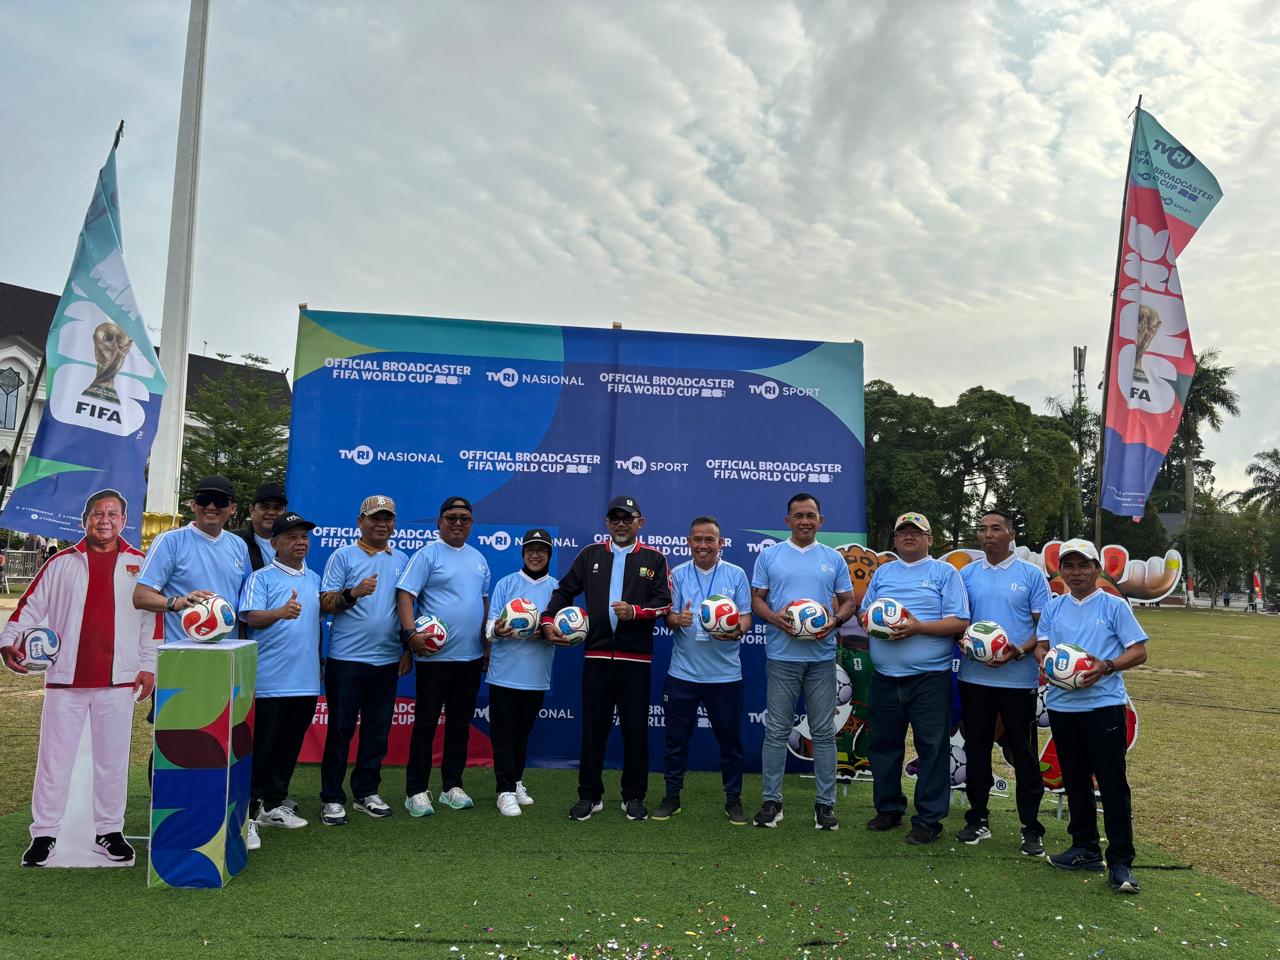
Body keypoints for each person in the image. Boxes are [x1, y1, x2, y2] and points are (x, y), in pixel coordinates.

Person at [1, 490, 161, 867]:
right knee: (54, 759)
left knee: (112, 760)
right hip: (65, 679)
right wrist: (8, 641)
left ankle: (109, 831)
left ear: (124, 521)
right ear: (84, 520)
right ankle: (44, 834)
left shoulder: (139, 564)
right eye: (97, 514)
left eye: (112, 514)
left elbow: (151, 621)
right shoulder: (60, 563)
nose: (104, 520)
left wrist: (149, 665)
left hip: (119, 680)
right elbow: (29, 606)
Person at [133, 474, 255, 846]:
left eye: (220, 501)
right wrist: (177, 602)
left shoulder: (237, 545)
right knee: (174, 743)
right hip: (181, 662)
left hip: (226, 662)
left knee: (221, 742)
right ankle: (164, 815)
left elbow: (243, 606)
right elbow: (141, 595)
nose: (211, 507)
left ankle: (214, 816)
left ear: (233, 508)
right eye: (204, 500)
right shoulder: (171, 541)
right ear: (193, 505)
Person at [542, 495, 672, 822]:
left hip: (635, 660)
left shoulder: (655, 558)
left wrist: (635, 611)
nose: (621, 524)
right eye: (615, 518)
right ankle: (589, 795)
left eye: (628, 518)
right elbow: (564, 591)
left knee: (635, 730)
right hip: (596, 657)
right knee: (593, 729)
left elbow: (664, 602)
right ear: (607, 523)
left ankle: (633, 796)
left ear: (640, 522)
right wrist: (546, 620)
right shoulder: (591, 554)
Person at [1037, 538, 1148, 894]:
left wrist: (1106, 666)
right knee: (1075, 781)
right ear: (1061, 571)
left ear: (1097, 569)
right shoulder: (1054, 607)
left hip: (1103, 707)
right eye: (1069, 566)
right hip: (1062, 706)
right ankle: (1085, 848)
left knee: (1112, 784)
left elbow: (1139, 651)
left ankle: (1120, 861)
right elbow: (1042, 645)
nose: (1076, 572)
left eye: (1083, 565)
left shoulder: (1114, 606)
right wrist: (1046, 662)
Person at [859, 512, 970, 844]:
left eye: (916, 532)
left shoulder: (944, 573)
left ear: (929, 539)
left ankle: (928, 820)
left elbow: (959, 621)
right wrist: (873, 622)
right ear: (895, 539)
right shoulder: (884, 572)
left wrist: (918, 626)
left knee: (932, 748)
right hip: (885, 676)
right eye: (903, 531)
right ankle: (889, 809)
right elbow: (865, 611)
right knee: (883, 746)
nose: (909, 536)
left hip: (929, 678)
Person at [750, 493, 856, 830]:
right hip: (782, 657)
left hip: (821, 659)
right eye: (798, 516)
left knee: (823, 732)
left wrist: (835, 621)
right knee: (776, 731)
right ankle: (772, 802)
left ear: (820, 521)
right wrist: (774, 617)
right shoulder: (770, 556)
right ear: (788, 521)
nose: (805, 521)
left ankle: (825, 805)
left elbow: (849, 602)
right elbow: (756, 600)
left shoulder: (833, 559)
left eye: (811, 515)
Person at [957, 510, 1051, 854]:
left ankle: (1031, 828)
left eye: (996, 528)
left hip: (1017, 681)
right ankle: (977, 819)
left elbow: (1044, 628)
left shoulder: (1031, 575)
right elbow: (957, 621)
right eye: (982, 529)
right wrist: (963, 642)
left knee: (1022, 754)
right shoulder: (966, 574)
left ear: (1011, 534)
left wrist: (1018, 651)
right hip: (974, 678)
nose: (988, 534)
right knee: (976, 749)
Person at [317, 495, 410, 826]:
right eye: (375, 518)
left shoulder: (402, 559)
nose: (382, 524)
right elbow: (325, 602)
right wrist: (352, 593)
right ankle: (331, 797)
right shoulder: (343, 556)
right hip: (347, 659)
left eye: (388, 518)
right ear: (361, 521)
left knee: (377, 731)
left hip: (387, 660)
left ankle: (366, 792)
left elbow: (405, 607)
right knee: (341, 730)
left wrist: (407, 649)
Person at [655, 516, 753, 825]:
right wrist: (677, 620)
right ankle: (672, 796)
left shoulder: (736, 574)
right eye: (697, 539)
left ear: (720, 543)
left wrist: (737, 630)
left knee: (730, 742)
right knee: (676, 740)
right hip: (683, 674)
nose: (703, 545)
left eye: (710, 539)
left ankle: (733, 799)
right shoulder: (677, 574)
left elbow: (746, 617)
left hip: (725, 677)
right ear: (689, 542)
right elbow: (668, 618)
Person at [396, 496, 491, 817]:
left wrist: (486, 646)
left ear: (471, 523)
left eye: (464, 518)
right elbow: (405, 595)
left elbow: (483, 602)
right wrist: (410, 634)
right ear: (440, 522)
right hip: (433, 660)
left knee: (460, 726)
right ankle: (416, 791)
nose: (458, 523)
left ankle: (452, 786)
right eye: (451, 518)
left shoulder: (479, 558)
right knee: (425, 724)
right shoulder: (427, 554)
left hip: (470, 659)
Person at [239, 512, 322, 830]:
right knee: (261, 749)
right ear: (275, 544)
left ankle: (274, 805)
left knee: (289, 748)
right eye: (292, 537)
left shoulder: (314, 579)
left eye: (304, 537)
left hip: (305, 682)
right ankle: (248, 813)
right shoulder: (261, 578)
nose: (300, 542)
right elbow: (251, 617)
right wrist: (280, 612)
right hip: (269, 682)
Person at [485, 528, 559, 817]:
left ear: (549, 554)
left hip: (536, 675)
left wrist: (547, 634)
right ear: (523, 553)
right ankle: (503, 791)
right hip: (504, 673)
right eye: (530, 550)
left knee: (522, 733)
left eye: (541, 550)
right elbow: (489, 628)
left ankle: (515, 781)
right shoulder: (506, 584)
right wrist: (499, 630)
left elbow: (562, 629)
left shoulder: (557, 589)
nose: (535, 555)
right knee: (503, 734)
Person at [233, 481, 288, 571]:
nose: (271, 512)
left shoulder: (292, 543)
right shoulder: (234, 541)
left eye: (277, 508)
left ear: (285, 512)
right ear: (252, 510)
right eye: (264, 507)